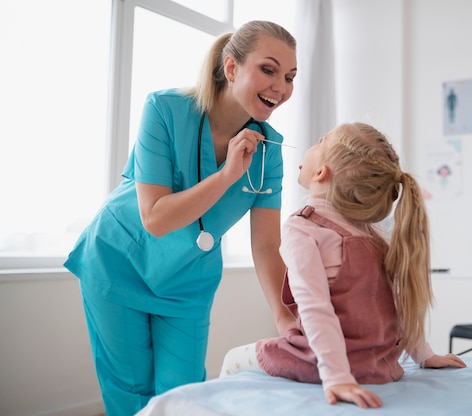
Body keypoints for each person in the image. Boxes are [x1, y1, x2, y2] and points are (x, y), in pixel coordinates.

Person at [64, 20, 298, 416]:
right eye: (269, 69)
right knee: (132, 397)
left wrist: (283, 316)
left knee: (185, 399)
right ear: (231, 68)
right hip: (118, 262)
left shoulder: (269, 151)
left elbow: (266, 245)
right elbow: (154, 218)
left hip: (187, 280)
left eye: (290, 77)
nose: (282, 87)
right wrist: (227, 176)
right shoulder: (165, 110)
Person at [220, 122, 466, 409]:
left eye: (320, 141)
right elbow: (402, 307)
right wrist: (424, 356)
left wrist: (338, 377)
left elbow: (316, 310)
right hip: (380, 365)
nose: (311, 144)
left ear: (322, 173)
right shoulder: (374, 236)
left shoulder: (303, 228)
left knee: (232, 358)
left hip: (327, 363)